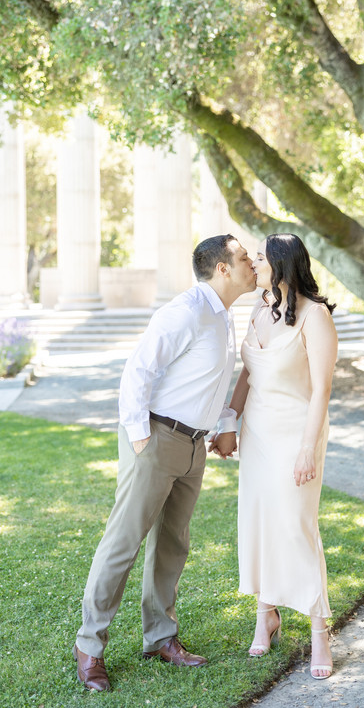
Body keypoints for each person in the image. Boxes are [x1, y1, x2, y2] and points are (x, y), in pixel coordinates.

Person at [73, 234, 256, 691]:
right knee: (124, 542)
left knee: (173, 543)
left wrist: (223, 425)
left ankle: (160, 638)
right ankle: (89, 646)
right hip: (155, 438)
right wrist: (140, 437)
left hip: (193, 446)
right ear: (222, 268)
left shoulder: (223, 314)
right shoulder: (186, 310)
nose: (253, 263)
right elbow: (139, 369)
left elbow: (210, 382)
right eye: (244, 258)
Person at [210, 233, 337, 680]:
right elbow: (249, 372)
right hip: (257, 433)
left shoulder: (315, 316)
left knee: (297, 527)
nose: (253, 264)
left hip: (297, 432)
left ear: (282, 264)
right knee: (260, 522)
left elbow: (321, 390)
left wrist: (307, 448)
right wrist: (229, 422)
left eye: (260, 258)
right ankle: (265, 614)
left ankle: (320, 632)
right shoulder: (260, 308)